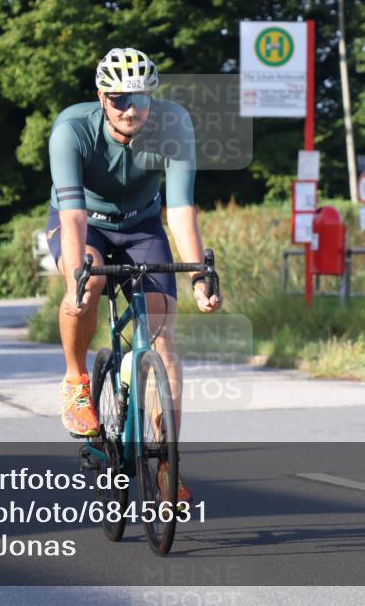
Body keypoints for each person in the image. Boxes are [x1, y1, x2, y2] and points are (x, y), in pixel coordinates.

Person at [46, 47, 222, 504]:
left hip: (143, 225)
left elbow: (181, 209)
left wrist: (200, 276)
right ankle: (75, 381)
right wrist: (75, 282)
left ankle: (167, 464)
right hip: (84, 221)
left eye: (141, 99)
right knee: (89, 284)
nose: (131, 108)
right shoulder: (71, 130)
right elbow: (72, 220)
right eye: (120, 98)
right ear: (102, 98)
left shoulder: (174, 125)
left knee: (165, 340)